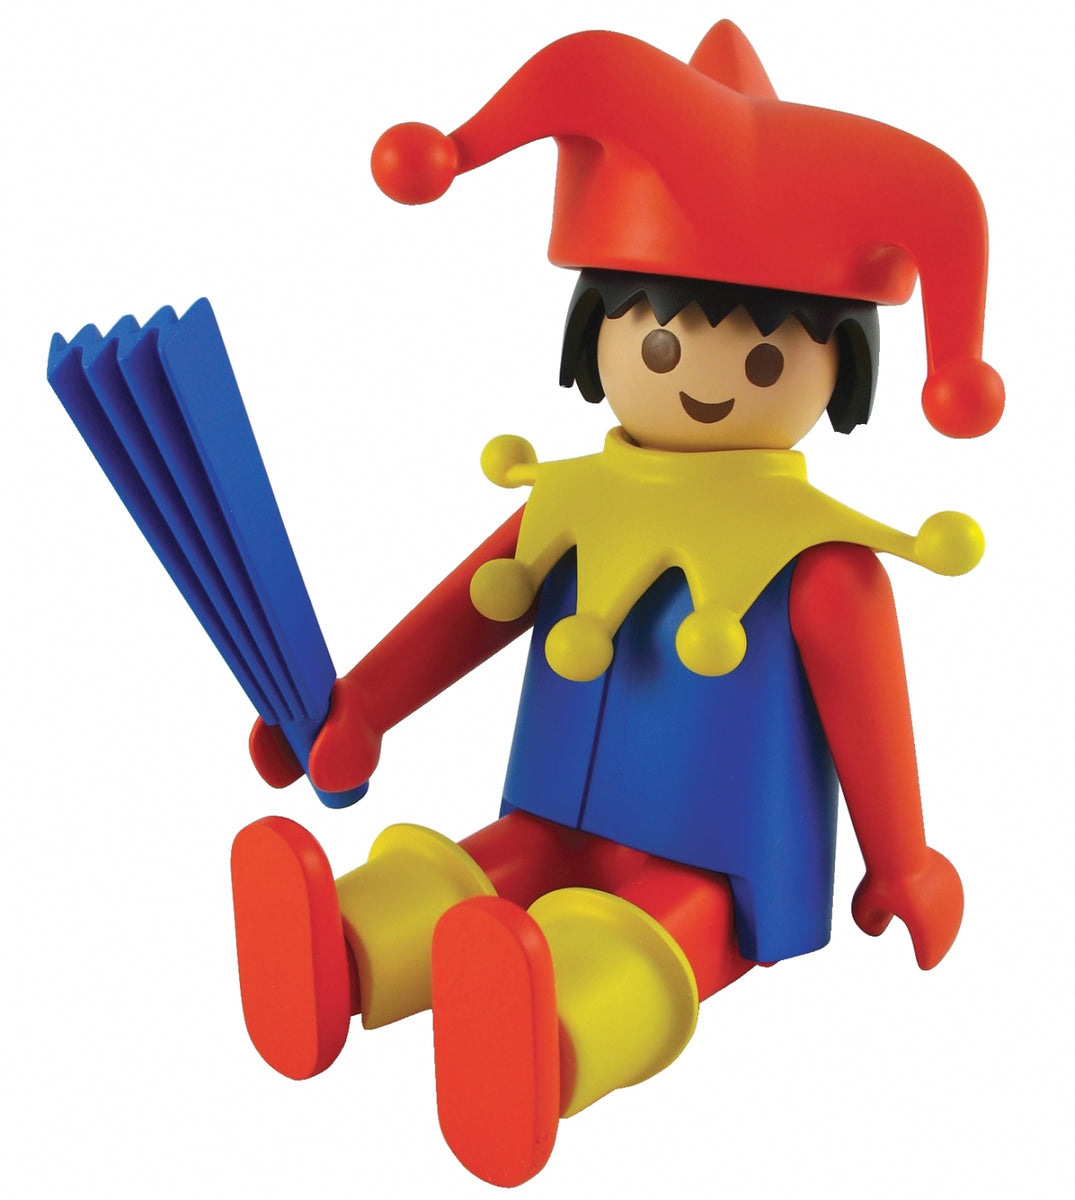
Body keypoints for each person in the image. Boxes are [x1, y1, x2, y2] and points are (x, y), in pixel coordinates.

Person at [232, 20, 1003, 1188]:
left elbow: (868, 718)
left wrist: (902, 861)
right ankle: (339, 952)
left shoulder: (822, 561)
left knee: (658, 929)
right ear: (593, 333)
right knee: (491, 865)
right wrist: (365, 705)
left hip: (724, 858)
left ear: (840, 373)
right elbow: (467, 614)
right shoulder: (568, 500)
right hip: (553, 803)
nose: (701, 380)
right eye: (659, 338)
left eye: (763, 362)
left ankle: (540, 1045)